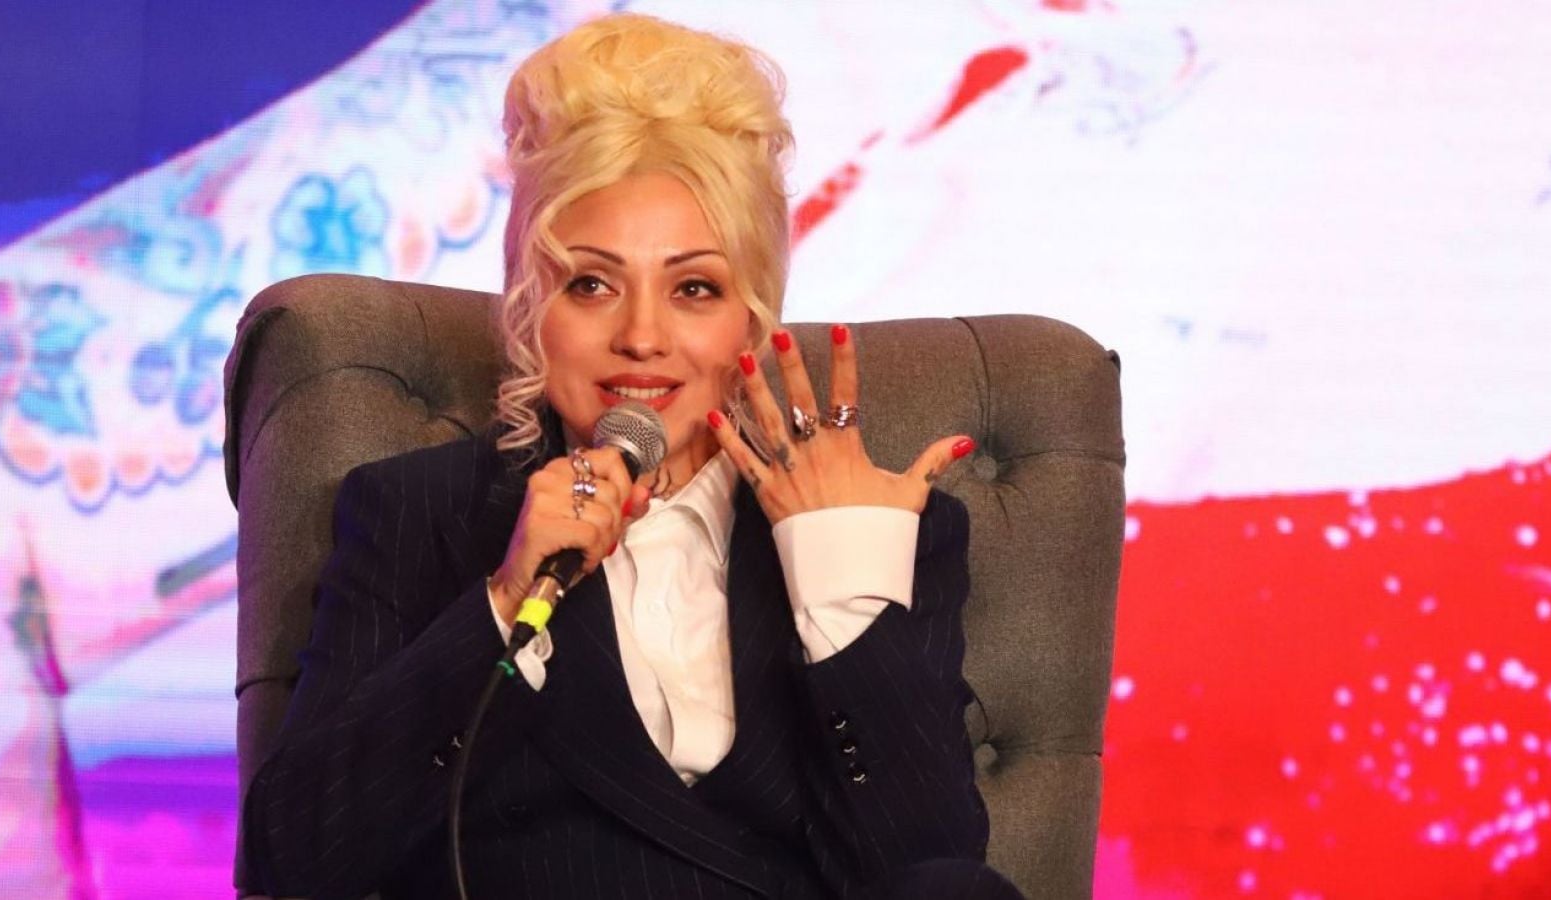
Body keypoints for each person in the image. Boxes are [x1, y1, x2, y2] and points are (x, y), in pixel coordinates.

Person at [242, 13, 1021, 899]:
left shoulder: (889, 535)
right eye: (591, 284)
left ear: (750, 318)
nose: (642, 337)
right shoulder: (420, 513)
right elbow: (293, 856)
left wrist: (842, 577)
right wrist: (506, 600)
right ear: (532, 306)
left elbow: (930, 864)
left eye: (694, 288)